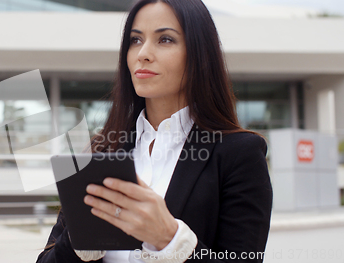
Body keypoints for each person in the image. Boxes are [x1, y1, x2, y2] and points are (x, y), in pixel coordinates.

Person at [36, 0, 272, 262]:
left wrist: (170, 239)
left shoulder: (239, 154)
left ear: (199, 54)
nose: (143, 53)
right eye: (135, 40)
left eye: (166, 40)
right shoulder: (101, 150)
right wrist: (81, 240)